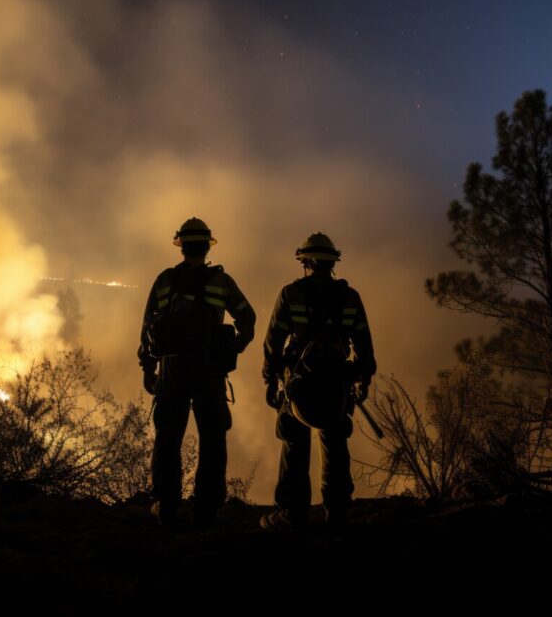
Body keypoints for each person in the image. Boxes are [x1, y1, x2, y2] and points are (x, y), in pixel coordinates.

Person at [139, 217, 255, 528]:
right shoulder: (222, 282)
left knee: (167, 439)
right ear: (206, 247)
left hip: (172, 371)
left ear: (181, 247)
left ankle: (166, 507)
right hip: (210, 371)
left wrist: (149, 369)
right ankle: (206, 510)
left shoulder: (164, 281)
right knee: (213, 439)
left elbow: (148, 326)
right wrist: (233, 348)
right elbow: (248, 318)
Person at [261, 232, 376, 534]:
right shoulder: (349, 297)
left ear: (306, 261)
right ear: (332, 262)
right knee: (336, 447)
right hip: (336, 385)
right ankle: (336, 514)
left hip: (298, 385)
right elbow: (364, 343)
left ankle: (292, 514)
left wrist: (271, 381)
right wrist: (364, 378)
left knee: (294, 445)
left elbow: (273, 343)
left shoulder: (291, 294)